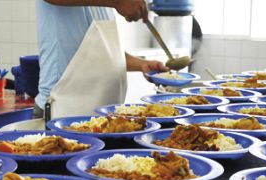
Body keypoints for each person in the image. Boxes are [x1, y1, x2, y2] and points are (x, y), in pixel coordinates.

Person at [34, 0, 169, 118]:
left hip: (103, 116)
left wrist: (142, 65)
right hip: (63, 110)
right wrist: (118, 2)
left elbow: (102, 51)